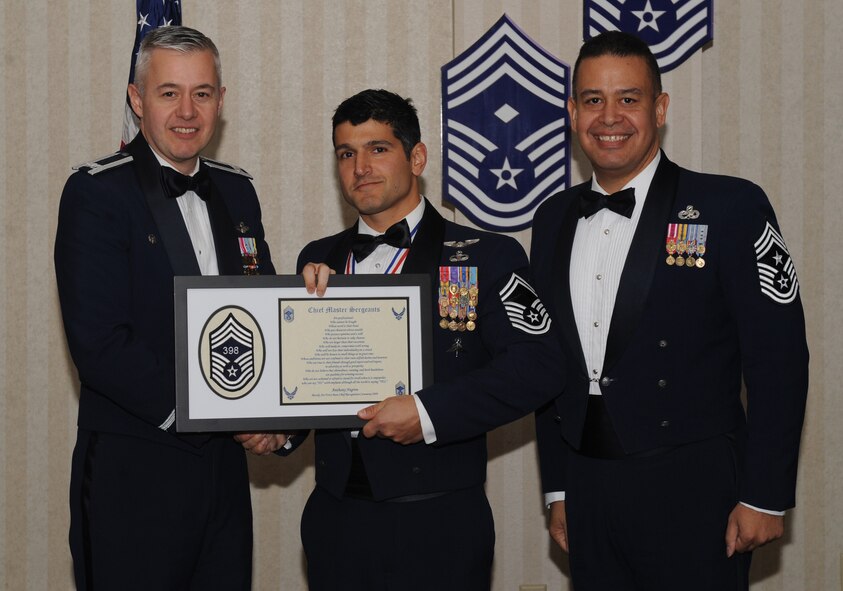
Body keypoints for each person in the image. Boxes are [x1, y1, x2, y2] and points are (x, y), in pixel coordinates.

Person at [239, 89, 564, 590]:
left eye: (378, 149)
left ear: (417, 157)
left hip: (440, 523)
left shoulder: (486, 255)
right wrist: (282, 433)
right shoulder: (317, 260)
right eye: (346, 153)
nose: (360, 167)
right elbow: (314, 376)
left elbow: (540, 364)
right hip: (335, 518)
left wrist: (427, 412)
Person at [529, 31, 809, 590]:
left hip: (695, 485)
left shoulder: (730, 205)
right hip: (589, 483)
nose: (610, 117)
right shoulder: (553, 216)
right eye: (592, 100)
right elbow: (548, 362)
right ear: (572, 111)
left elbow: (779, 359)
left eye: (628, 99)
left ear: (660, 108)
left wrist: (765, 495)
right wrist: (559, 489)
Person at [54, 26, 274, 590]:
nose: (186, 110)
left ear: (221, 103)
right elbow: (100, 343)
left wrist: (281, 422)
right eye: (168, 92)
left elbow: (262, 316)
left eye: (202, 93)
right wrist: (209, 411)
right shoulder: (97, 193)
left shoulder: (238, 191)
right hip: (135, 471)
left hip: (224, 477)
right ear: (136, 99)